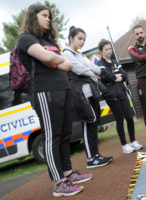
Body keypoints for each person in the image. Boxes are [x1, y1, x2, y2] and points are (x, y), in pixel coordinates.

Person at [17, 4, 92, 197]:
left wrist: (53, 59)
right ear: (33, 16)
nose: (48, 19)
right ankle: (59, 183)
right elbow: (46, 56)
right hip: (44, 91)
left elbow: (66, 64)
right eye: (44, 15)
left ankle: (68, 173)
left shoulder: (47, 40)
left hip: (63, 88)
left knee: (65, 133)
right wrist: (53, 58)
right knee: (52, 135)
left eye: (49, 16)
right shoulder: (26, 38)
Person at [64, 27, 113, 168]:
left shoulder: (80, 55)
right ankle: (90, 159)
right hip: (80, 94)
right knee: (87, 123)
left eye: (84, 39)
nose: (82, 42)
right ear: (71, 38)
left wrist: (91, 70)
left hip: (91, 92)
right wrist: (91, 70)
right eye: (79, 38)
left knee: (94, 124)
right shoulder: (67, 53)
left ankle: (96, 155)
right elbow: (79, 70)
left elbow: (97, 69)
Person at [96, 39, 143, 153]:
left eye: (110, 48)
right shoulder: (100, 64)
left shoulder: (115, 62)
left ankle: (133, 141)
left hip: (121, 92)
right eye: (106, 49)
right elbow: (106, 76)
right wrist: (115, 77)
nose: (109, 51)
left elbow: (124, 75)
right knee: (119, 119)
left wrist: (117, 77)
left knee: (129, 116)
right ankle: (124, 145)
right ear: (101, 51)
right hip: (111, 95)